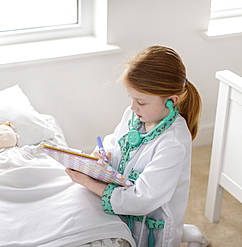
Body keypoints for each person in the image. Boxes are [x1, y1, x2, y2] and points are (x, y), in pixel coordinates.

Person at [65, 45, 202, 247]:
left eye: (141, 102)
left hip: (152, 226)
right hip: (123, 209)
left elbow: (142, 199)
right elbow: (115, 140)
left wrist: (88, 183)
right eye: (131, 98)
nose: (132, 107)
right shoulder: (134, 115)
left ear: (171, 102)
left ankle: (190, 235)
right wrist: (105, 154)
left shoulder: (173, 142)